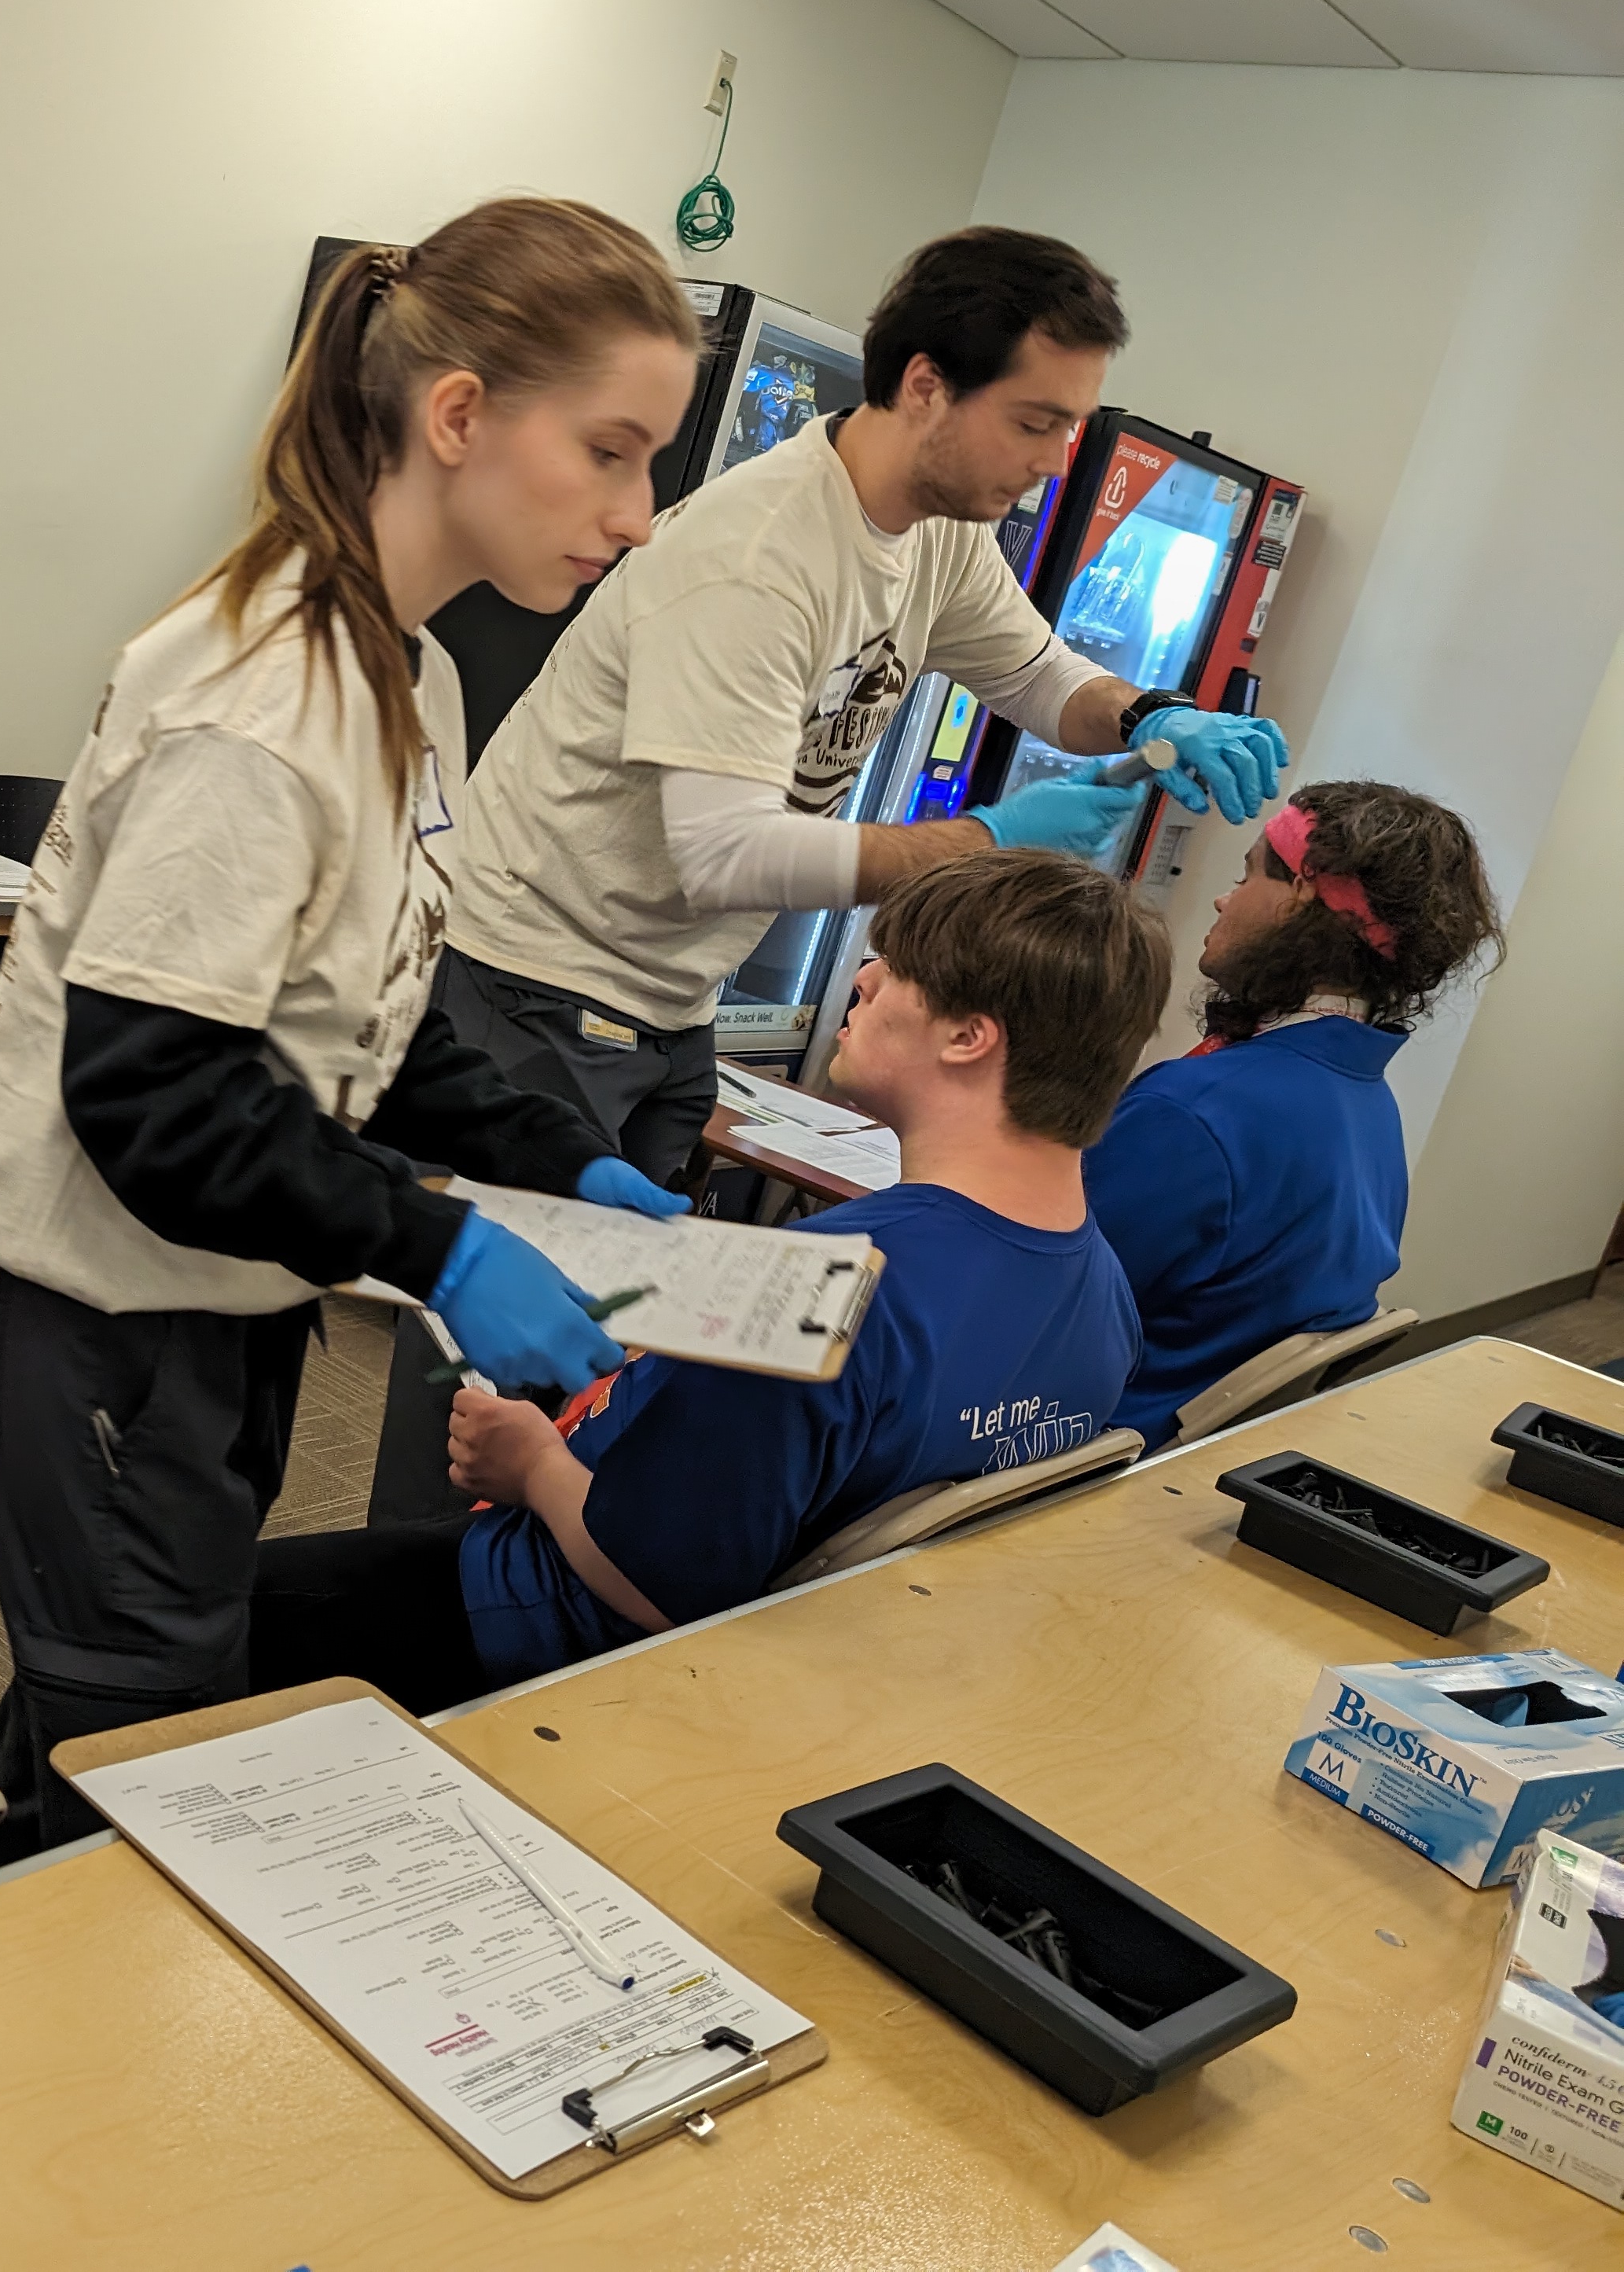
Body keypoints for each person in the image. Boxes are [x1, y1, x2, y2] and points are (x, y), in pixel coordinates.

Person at [0, 197, 710, 1861]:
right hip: (106, 1310)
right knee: (138, 1743)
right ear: (461, 414)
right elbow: (161, 1097)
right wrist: (443, 1247)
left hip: (222, 1298)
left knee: (132, 1680)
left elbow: (376, 1000)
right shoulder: (262, 700)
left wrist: (550, 1151)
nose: (635, 519)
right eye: (613, 455)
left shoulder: (411, 680)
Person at [362, 225, 1289, 1528]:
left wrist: (1146, 713)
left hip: (668, 995)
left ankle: (556, 1609)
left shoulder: (937, 532)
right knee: (490, 1369)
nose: (1048, 462)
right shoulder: (757, 553)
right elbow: (726, 849)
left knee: (615, 1363)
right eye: (1033, 422)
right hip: (535, 989)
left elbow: (1030, 673)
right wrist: (986, 845)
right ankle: (426, 1630)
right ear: (924, 385)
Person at [252, 848, 1165, 1711]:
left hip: (550, 1632)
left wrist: (530, 1464)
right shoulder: (1104, 1289)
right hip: (834, 1668)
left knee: (208, 1621)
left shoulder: (818, 1290)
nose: (863, 979)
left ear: (968, 1037)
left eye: (893, 966)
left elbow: (658, 1590)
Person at [1086, 781, 1504, 1447]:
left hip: (1080, 1445)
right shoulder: (1369, 1107)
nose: (1225, 898)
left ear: (1304, 903)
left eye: (1248, 873)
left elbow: (1033, 1313)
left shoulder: (1194, 1113)